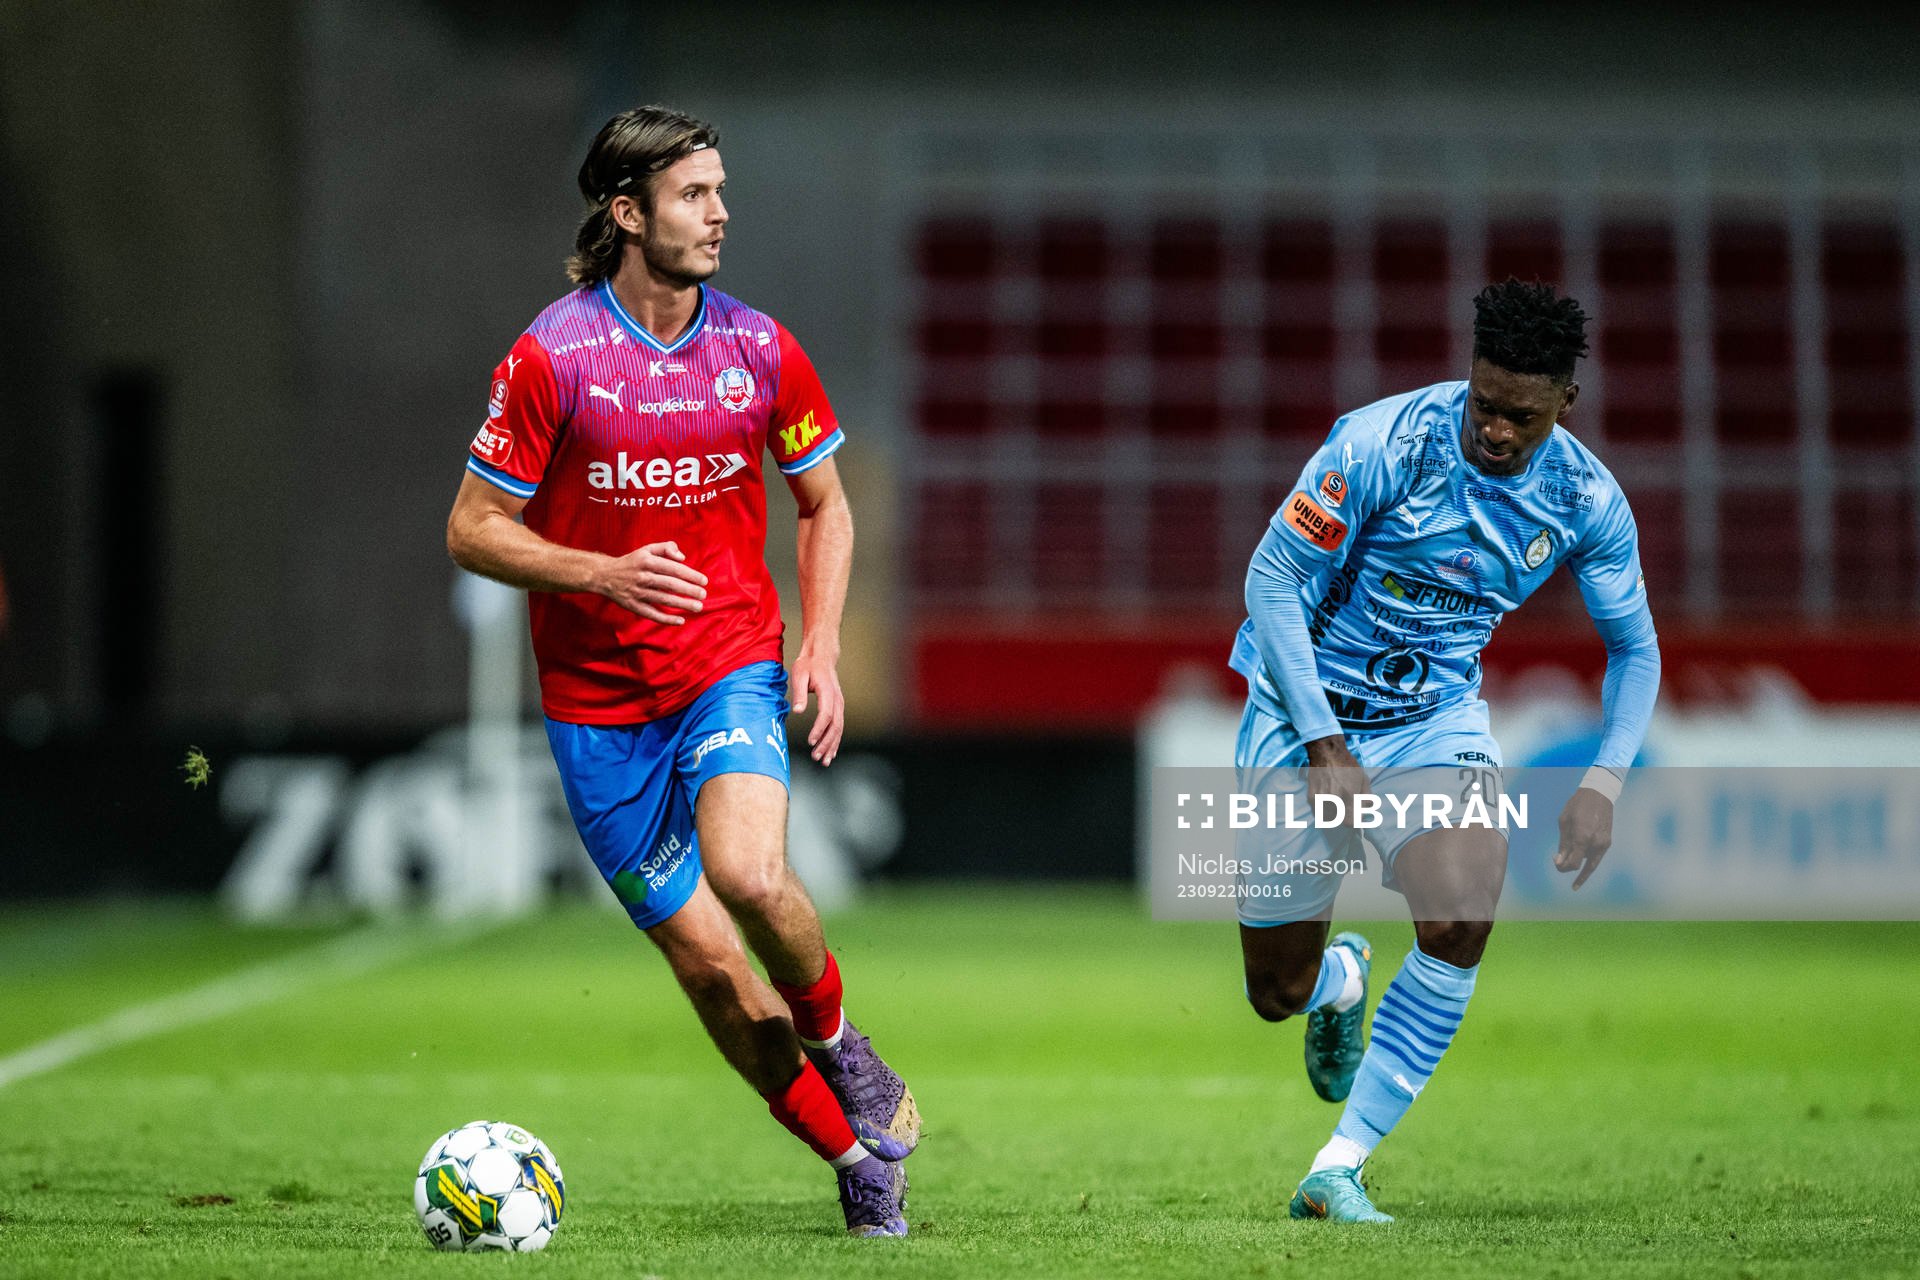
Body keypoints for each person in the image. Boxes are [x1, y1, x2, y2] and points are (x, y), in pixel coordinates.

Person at [445, 105, 918, 1238]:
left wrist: (817, 641)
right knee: (710, 969)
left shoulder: (760, 348)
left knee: (749, 875)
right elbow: (471, 528)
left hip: (727, 661)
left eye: (720, 190)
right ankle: (856, 1158)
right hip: (596, 710)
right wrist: (598, 574)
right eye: (694, 194)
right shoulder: (552, 355)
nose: (719, 213)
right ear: (626, 212)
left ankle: (843, 1043)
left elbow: (826, 504)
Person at [1229, 279, 1660, 1223]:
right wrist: (1323, 741)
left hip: (1435, 721)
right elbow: (1272, 581)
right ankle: (1339, 979)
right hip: (1301, 708)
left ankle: (1336, 1167)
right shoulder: (1380, 445)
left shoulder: (1584, 498)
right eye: (1484, 404)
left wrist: (1605, 779)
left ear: (1565, 405)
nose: (1496, 431)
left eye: (1522, 416)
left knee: (1463, 913)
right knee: (1276, 991)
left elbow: (1634, 647)